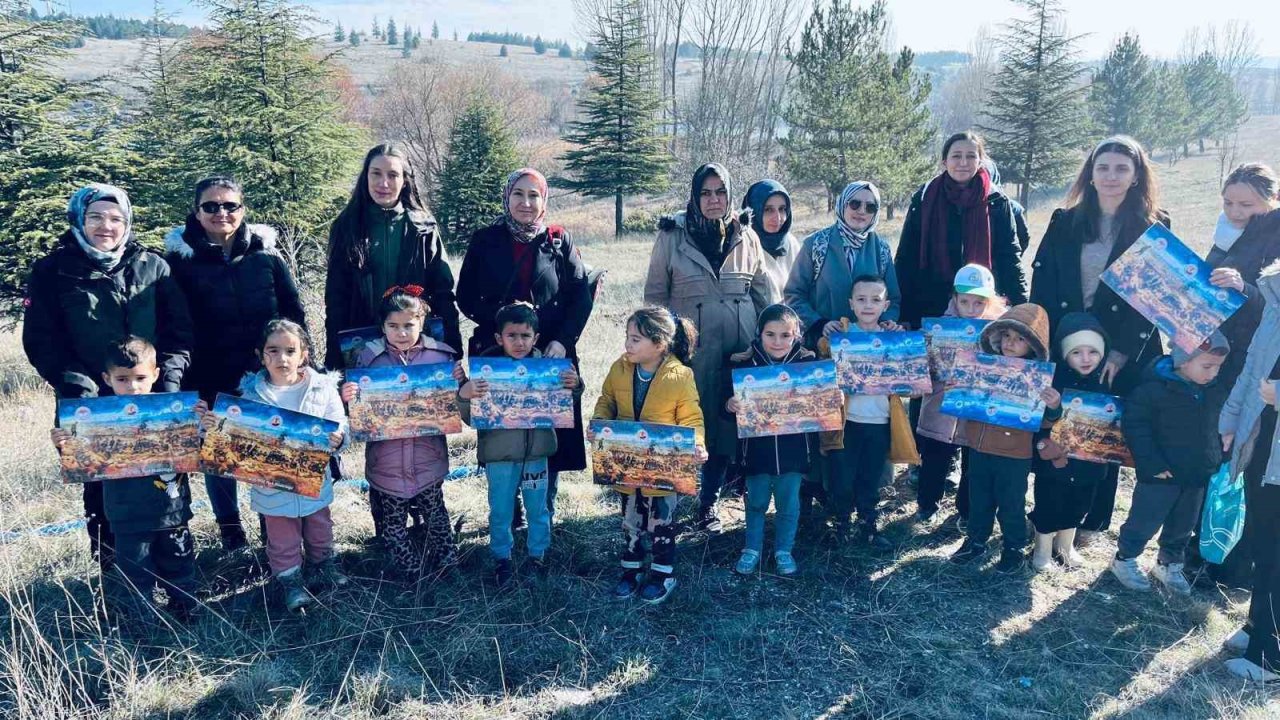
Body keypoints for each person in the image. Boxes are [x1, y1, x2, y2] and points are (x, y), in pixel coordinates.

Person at [23, 183, 192, 573]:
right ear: (80, 218)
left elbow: (179, 333)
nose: (106, 226)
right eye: (96, 216)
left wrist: (166, 386)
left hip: (154, 399)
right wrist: (81, 391)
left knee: (166, 487)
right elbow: (41, 341)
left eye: (116, 218)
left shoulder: (153, 266)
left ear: (127, 222)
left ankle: (178, 585)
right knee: (105, 496)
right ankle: (118, 582)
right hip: (91, 406)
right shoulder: (53, 270)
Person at [1030, 135, 1168, 546]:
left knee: (1104, 434)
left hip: (1119, 349)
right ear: (1090, 173)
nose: (1111, 176)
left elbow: (1153, 298)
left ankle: (1091, 523)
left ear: (1136, 176)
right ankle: (1052, 520)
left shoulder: (1153, 227)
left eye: (1121, 168)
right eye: (1103, 167)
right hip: (1066, 342)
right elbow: (1044, 284)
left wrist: (1123, 350)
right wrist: (1045, 343)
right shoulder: (1064, 220)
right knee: (1060, 429)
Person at [165, 176, 306, 551]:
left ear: (243, 210)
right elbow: (172, 327)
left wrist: (299, 360)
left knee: (267, 454)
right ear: (196, 212)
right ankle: (232, 536)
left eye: (230, 205)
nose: (221, 213)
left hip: (264, 375)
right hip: (209, 375)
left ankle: (272, 535)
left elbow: (293, 313)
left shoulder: (265, 257)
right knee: (219, 460)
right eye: (210, 206)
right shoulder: (178, 263)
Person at [456, 168, 592, 520]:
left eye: (534, 195)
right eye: (519, 194)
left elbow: (580, 297)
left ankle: (543, 509)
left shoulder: (559, 240)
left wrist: (562, 341)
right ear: (507, 197)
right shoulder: (485, 240)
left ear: (544, 200)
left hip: (548, 355)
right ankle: (508, 509)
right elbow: (465, 296)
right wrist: (504, 319)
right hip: (499, 354)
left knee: (547, 434)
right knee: (505, 432)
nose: (526, 203)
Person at [645, 163, 771, 531]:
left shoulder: (747, 235)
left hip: (738, 352)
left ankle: (708, 503)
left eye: (721, 192)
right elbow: (655, 297)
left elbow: (764, 295)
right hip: (690, 356)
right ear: (695, 196)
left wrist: (772, 344)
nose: (714, 200)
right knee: (685, 425)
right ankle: (668, 505)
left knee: (725, 428)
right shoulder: (673, 236)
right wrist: (660, 348)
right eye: (706, 192)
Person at [51, 337, 196, 619]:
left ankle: (187, 612)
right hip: (125, 516)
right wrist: (63, 442)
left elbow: (202, 450)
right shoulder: (96, 418)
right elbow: (81, 459)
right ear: (107, 378)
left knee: (179, 564)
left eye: (141, 378)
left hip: (172, 512)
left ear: (155, 375)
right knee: (135, 572)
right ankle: (142, 623)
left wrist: (203, 423)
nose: (133, 386)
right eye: (122, 379)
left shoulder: (174, 411)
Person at [221, 319, 348, 612]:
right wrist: (217, 426)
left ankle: (323, 566)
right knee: (282, 538)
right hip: (272, 491)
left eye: (290, 350)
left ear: (304, 353)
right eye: (273, 351)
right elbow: (236, 442)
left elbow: (340, 422)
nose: (282, 358)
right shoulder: (251, 397)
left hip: (315, 485)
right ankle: (290, 580)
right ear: (261, 355)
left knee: (320, 530)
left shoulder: (322, 388)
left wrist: (338, 437)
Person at [340, 286, 465, 578]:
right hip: (387, 464)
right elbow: (358, 415)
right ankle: (413, 573)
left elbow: (460, 404)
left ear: (422, 322)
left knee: (436, 516)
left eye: (409, 325)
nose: (402, 332)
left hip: (428, 459)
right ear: (382, 327)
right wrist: (349, 397)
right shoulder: (369, 361)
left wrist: (460, 381)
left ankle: (449, 565)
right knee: (392, 525)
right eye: (393, 326)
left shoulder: (440, 357)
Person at [459, 303, 580, 587]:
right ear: (499, 338)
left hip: (537, 454)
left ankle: (537, 555)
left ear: (536, 338)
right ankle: (502, 558)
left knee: (539, 509)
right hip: (499, 457)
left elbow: (565, 405)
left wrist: (574, 386)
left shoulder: (548, 369)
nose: (519, 342)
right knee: (500, 510)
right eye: (511, 335)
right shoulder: (485, 373)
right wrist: (464, 395)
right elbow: (469, 417)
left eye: (526, 335)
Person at [591, 307, 707, 605]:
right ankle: (630, 571)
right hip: (626, 466)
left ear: (659, 344)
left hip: (664, 469)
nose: (628, 345)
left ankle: (661, 574)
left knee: (661, 523)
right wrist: (598, 425)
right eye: (628, 337)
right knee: (630, 521)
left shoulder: (681, 375)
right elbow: (607, 402)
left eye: (636, 339)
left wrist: (697, 444)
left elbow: (692, 418)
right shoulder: (619, 368)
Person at [1111, 332, 1229, 595]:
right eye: (1207, 366)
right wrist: (1151, 464)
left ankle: (1169, 563)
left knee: (1184, 523)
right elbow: (1136, 427)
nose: (1213, 373)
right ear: (1183, 362)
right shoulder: (1152, 391)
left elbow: (1218, 428)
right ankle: (1125, 558)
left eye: (1218, 367)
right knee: (1145, 518)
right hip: (1160, 473)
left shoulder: (1213, 392)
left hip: (1197, 472)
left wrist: (1216, 457)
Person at [326, 144, 462, 365]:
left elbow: (443, 291)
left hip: (415, 343)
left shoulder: (423, 227)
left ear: (405, 180)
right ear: (365, 177)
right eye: (376, 174)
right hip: (363, 345)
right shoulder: (346, 226)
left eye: (393, 175)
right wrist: (334, 356)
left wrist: (453, 346)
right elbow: (336, 299)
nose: (384, 183)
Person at [951, 303, 1060, 573]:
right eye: (1007, 336)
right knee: (979, 499)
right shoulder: (981, 367)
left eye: (1020, 339)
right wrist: (961, 388)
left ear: (1033, 346)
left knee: (1011, 503)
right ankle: (976, 540)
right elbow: (966, 402)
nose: (1011, 343)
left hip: (1014, 454)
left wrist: (1054, 405)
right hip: (979, 448)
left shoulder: (1037, 379)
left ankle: (1013, 547)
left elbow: (1045, 422)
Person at [894, 131, 1027, 329]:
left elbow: (1010, 258)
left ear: (980, 161)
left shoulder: (997, 201)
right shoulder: (924, 198)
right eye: (956, 156)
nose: (963, 162)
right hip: (931, 305)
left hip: (982, 306)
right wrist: (902, 312)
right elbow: (907, 256)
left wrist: (1023, 310)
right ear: (944, 161)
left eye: (971, 156)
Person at [1219, 263, 1280, 682]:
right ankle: (1259, 625)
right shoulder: (1275, 296)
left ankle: (1270, 658)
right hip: (1263, 440)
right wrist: (1230, 418)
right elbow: (1251, 368)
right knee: (1263, 540)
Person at [724, 304, 815, 576]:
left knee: (789, 504)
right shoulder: (743, 364)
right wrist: (730, 405)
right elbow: (724, 406)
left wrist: (831, 401)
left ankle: (783, 550)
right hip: (756, 452)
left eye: (785, 335)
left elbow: (821, 408)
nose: (778, 341)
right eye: (770, 334)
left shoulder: (808, 364)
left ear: (796, 334)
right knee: (756, 502)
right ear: (759, 334)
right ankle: (751, 548)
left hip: (794, 452)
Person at [914, 264, 1008, 526]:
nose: (971, 308)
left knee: (972, 464)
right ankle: (926, 505)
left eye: (979, 302)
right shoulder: (939, 328)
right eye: (964, 301)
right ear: (954, 298)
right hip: (939, 408)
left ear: (990, 301)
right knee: (934, 458)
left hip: (976, 411)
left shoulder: (999, 332)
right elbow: (922, 364)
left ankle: (966, 511)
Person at [1028, 313, 1112, 571]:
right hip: (1055, 464)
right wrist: (1053, 407)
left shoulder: (1103, 386)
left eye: (1093, 352)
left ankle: (1066, 546)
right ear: (1064, 354)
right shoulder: (1052, 383)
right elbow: (1040, 423)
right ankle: (1041, 551)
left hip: (1089, 465)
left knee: (1079, 504)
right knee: (1050, 503)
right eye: (1077, 352)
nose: (1086, 359)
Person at [826, 276, 904, 547]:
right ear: (851, 304)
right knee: (843, 477)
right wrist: (828, 333)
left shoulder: (893, 338)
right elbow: (822, 362)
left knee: (871, 477)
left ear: (886, 305)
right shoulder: (842, 335)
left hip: (880, 422)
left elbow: (908, 383)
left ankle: (868, 524)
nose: (868, 305)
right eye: (861, 299)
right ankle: (841, 524)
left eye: (875, 299)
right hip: (848, 421)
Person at [785, 180, 901, 348]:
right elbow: (794, 294)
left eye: (870, 207)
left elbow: (893, 298)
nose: (861, 211)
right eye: (854, 204)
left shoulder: (881, 249)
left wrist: (884, 322)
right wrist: (819, 324)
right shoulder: (816, 244)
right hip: (824, 344)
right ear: (842, 204)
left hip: (869, 344)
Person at [1207, 163, 1280, 393]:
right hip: (1220, 349)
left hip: (1262, 358)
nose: (1234, 212)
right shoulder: (1226, 232)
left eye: (1246, 205)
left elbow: (1275, 307)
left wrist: (1242, 287)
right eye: (1227, 203)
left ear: (1274, 198)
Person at [742, 180, 801, 303]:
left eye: (782, 209)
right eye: (768, 210)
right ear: (754, 211)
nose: (778, 218)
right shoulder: (742, 245)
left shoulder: (791, 243)